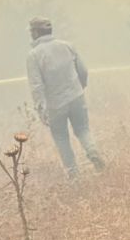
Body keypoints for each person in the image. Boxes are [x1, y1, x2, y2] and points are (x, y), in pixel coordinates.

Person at [26, 17, 106, 177]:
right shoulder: (67, 46)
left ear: (36, 32)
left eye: (31, 31)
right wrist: (80, 87)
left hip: (55, 105)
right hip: (77, 97)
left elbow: (37, 86)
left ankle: (73, 174)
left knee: (61, 137)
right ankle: (92, 151)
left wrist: (41, 109)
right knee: (83, 129)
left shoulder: (34, 55)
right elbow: (83, 71)